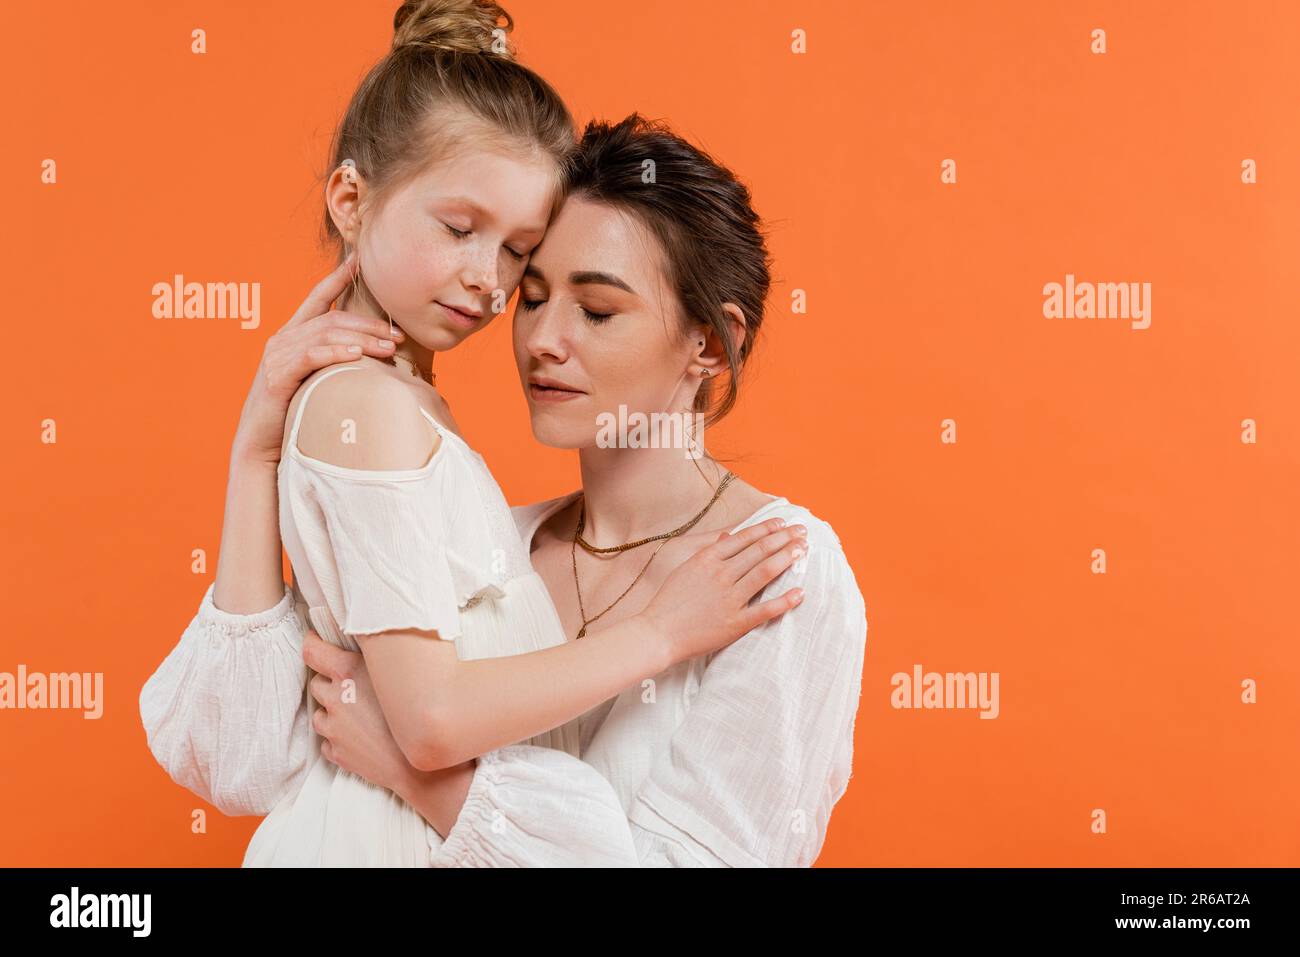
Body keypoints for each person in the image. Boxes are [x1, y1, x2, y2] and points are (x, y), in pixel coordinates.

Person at [139, 0, 805, 867]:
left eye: (516, 254)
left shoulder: (402, 406)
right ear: (350, 197)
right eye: (460, 229)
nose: (490, 285)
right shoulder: (369, 409)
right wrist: (662, 634)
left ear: (711, 345)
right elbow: (426, 719)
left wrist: (257, 449)